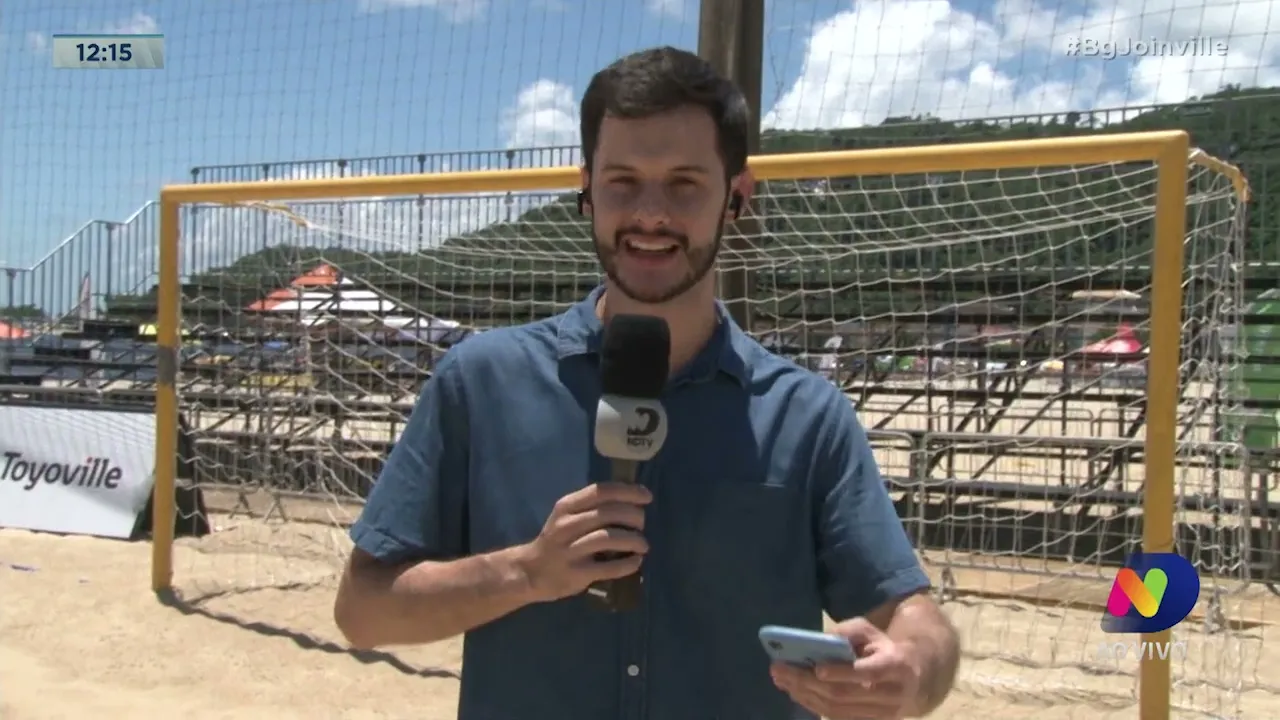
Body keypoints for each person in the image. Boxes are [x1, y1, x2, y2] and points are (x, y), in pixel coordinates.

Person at [333, 46, 961, 720]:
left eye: (685, 182)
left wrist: (914, 670)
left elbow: (913, 615)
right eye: (624, 181)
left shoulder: (806, 416)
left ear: (737, 197)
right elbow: (363, 612)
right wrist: (524, 573)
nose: (652, 213)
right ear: (587, 189)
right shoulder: (480, 383)